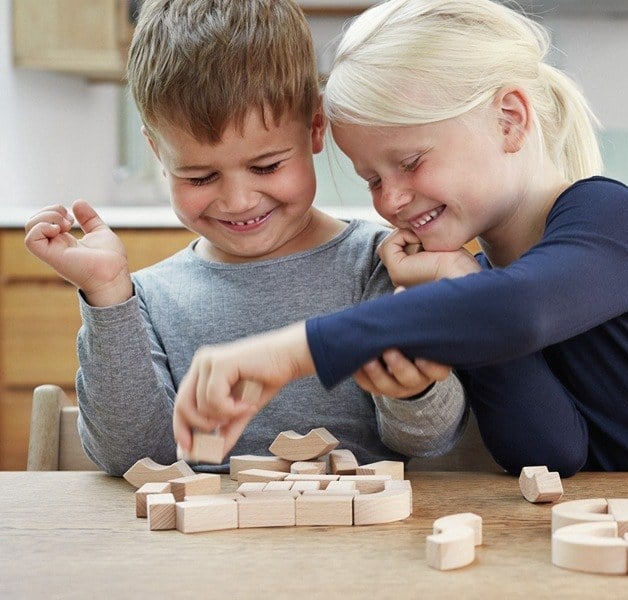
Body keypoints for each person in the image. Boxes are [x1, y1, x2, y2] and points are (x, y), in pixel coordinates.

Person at [173, 0, 628, 475]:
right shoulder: (484, 287)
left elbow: (517, 310)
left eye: (411, 162)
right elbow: (550, 452)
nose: (389, 201)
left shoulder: (610, 218)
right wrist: (460, 280)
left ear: (509, 121)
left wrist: (288, 353)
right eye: (371, 179)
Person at [23, 0, 467, 477]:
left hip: (352, 542)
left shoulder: (380, 265)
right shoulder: (146, 299)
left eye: (266, 166)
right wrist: (109, 297)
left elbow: (429, 438)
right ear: (157, 152)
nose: (237, 201)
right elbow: (131, 457)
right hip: (203, 547)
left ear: (315, 127)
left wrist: (410, 386)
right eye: (198, 177)